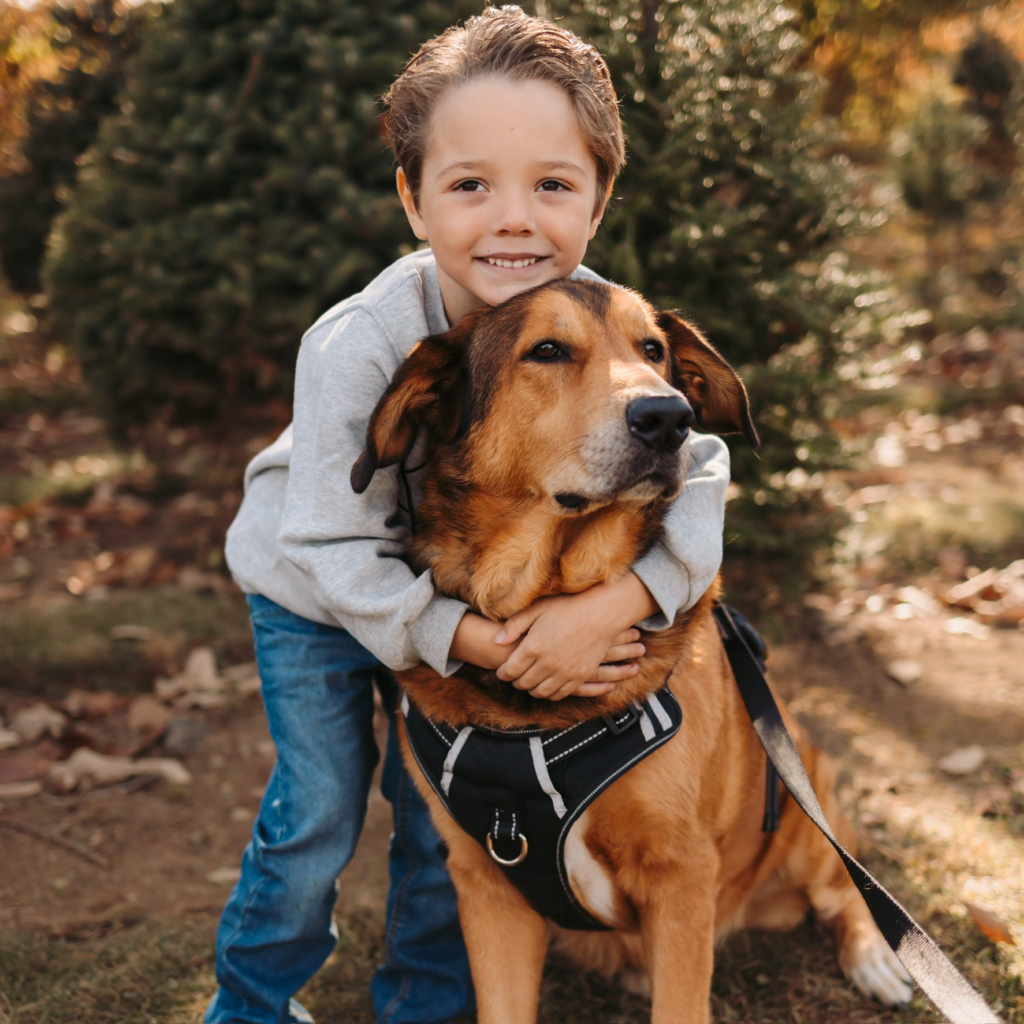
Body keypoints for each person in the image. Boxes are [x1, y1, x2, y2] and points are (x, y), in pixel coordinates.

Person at [206, 7, 731, 1023]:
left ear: (598, 197)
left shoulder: (602, 319)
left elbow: (697, 464)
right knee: (316, 814)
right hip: (318, 591)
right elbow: (327, 541)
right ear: (412, 198)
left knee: (447, 816)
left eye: (551, 184)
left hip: (445, 587)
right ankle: (249, 1004)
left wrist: (620, 599)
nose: (513, 220)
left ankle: (425, 1006)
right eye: (469, 185)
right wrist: (478, 639)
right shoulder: (360, 343)